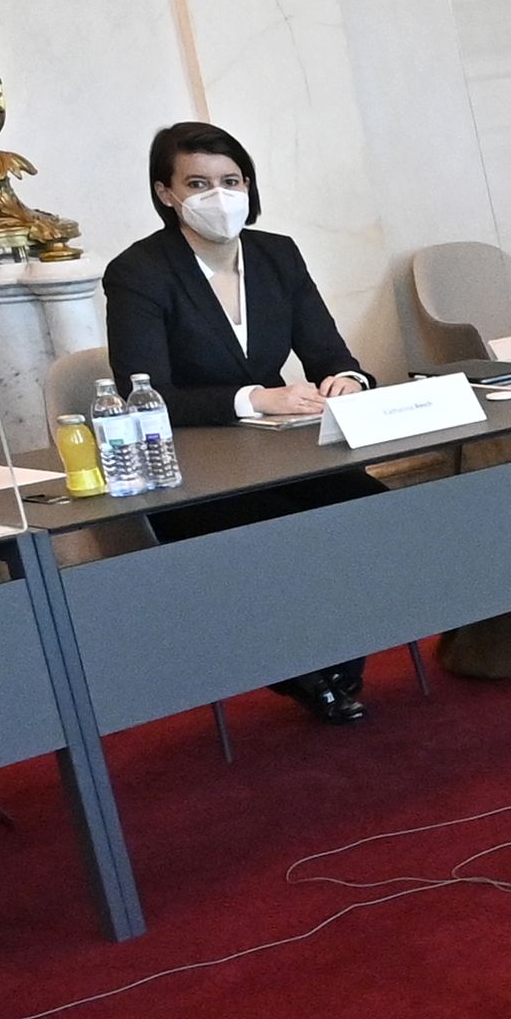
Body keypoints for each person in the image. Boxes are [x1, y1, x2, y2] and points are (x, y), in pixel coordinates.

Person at [102, 122, 383, 725]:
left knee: (372, 509)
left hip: (281, 454)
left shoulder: (276, 253)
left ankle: (339, 649)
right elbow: (144, 396)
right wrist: (256, 397)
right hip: (193, 474)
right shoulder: (140, 271)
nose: (219, 195)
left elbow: (330, 353)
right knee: (287, 535)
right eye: (198, 183)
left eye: (231, 181)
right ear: (165, 193)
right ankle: (301, 662)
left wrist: (347, 380)